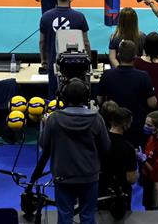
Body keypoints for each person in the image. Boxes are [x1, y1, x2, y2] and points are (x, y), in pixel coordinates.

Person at [40, 79, 110, 224]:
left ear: (63, 97)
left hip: (63, 176)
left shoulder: (54, 119)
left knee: (64, 216)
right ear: (86, 97)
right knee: (88, 216)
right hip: (89, 176)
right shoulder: (96, 119)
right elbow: (106, 147)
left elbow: (44, 145)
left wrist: (44, 126)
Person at [98, 40, 158, 146]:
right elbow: (152, 103)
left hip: (113, 127)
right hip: (136, 128)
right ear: (135, 57)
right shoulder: (143, 76)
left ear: (118, 55)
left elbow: (99, 100)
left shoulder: (107, 75)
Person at [100, 103, 138, 211]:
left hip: (101, 190)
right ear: (125, 124)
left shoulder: (99, 141)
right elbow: (131, 179)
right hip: (120, 193)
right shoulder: (128, 148)